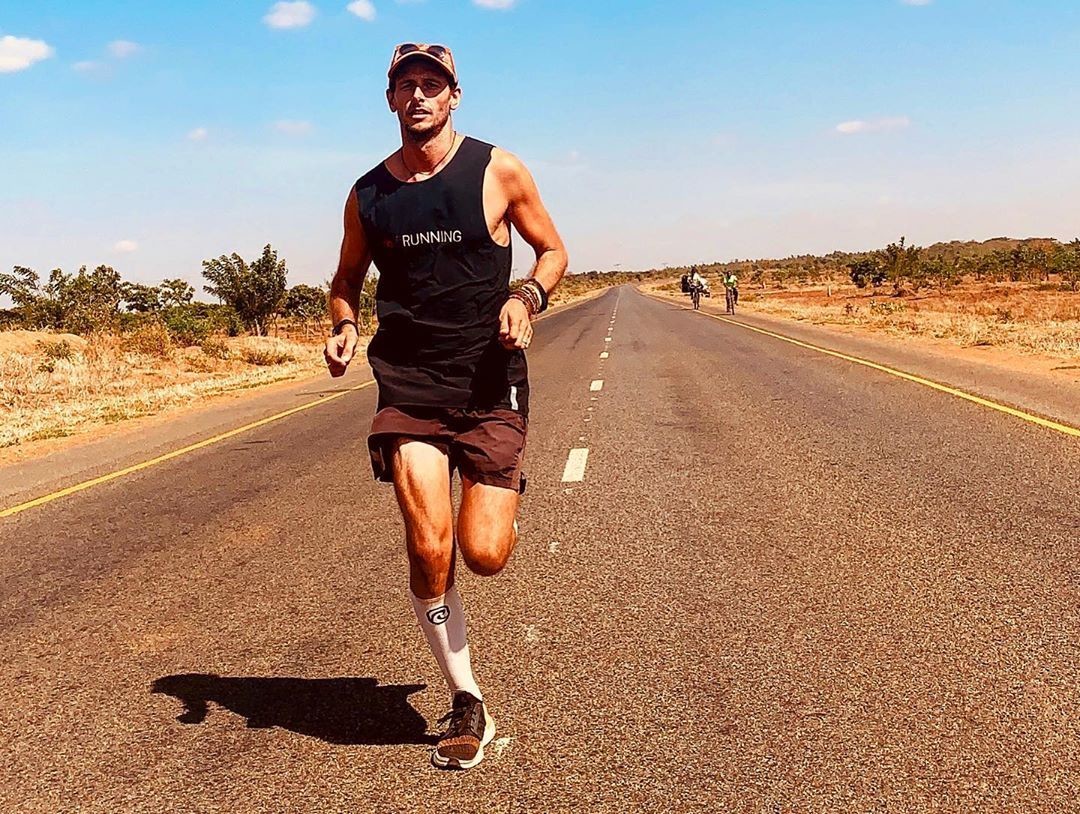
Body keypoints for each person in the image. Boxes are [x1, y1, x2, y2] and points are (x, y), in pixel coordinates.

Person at [323, 42, 568, 770]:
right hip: (410, 382)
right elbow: (345, 278)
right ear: (390, 99)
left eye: (433, 84)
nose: (419, 96)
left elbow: (553, 251)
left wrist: (527, 297)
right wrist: (344, 325)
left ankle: (499, 493)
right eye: (407, 85)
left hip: (490, 379)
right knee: (430, 547)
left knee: (483, 553)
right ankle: (467, 698)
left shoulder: (497, 170)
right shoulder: (369, 194)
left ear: (454, 95)